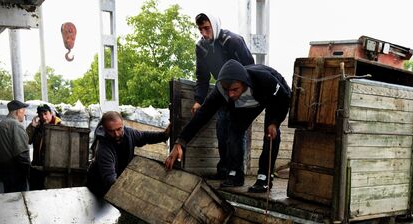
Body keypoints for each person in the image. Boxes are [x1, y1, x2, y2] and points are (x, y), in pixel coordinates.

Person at [165, 60, 291, 193]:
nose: (230, 94)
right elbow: (202, 115)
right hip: (246, 101)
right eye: (227, 90)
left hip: (273, 97)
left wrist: (275, 122)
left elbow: (284, 100)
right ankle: (236, 174)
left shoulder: (265, 79)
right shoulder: (221, 91)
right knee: (234, 131)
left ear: (244, 83)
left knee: (270, 133)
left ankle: (264, 177)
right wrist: (180, 142)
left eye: (234, 89)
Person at [193, 12, 254, 180]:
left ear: (214, 25)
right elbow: (202, 77)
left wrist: (245, 95)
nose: (204, 33)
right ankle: (224, 169)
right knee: (222, 130)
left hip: (241, 92)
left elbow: (251, 67)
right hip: (222, 91)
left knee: (236, 131)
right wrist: (198, 100)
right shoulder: (201, 47)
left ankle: (236, 171)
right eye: (200, 29)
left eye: (207, 28)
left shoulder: (233, 41)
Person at [86, 111, 171, 197]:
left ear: (123, 125)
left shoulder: (129, 133)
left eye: (119, 129)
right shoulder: (103, 149)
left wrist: (164, 135)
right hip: (98, 190)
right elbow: (110, 180)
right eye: (111, 131)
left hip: (116, 181)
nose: (117, 134)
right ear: (104, 129)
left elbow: (145, 137)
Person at [0, 100, 31, 193]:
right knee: (19, 199)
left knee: (9, 199)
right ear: (18, 111)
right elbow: (22, 153)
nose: (25, 114)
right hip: (16, 172)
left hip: (4, 170)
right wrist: (28, 172)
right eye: (23, 110)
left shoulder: (0, 125)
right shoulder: (16, 125)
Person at [26, 103, 62, 190]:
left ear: (51, 113)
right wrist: (32, 127)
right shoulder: (37, 127)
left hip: (53, 168)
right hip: (37, 167)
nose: (43, 117)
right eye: (41, 115)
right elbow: (27, 140)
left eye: (45, 114)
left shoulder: (59, 126)